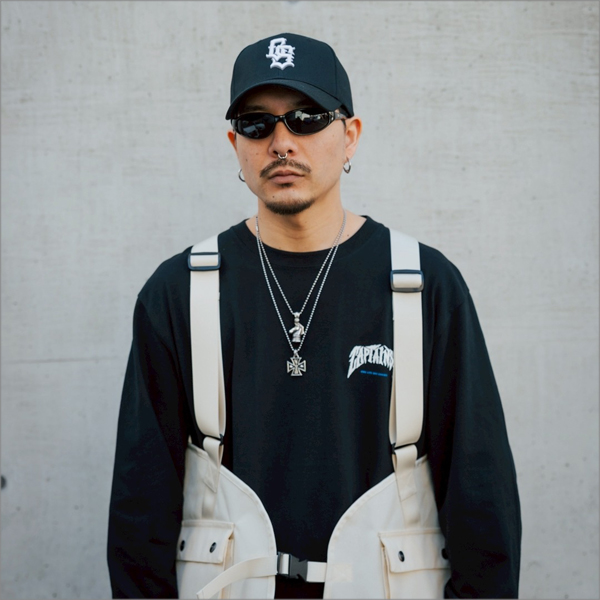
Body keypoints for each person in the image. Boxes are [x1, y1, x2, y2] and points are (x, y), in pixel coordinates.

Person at [107, 32, 521, 599]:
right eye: (257, 124)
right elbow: (140, 514)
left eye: (306, 118)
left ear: (349, 136)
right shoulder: (179, 293)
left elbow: (482, 501)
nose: (281, 142)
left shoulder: (425, 285)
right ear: (235, 144)